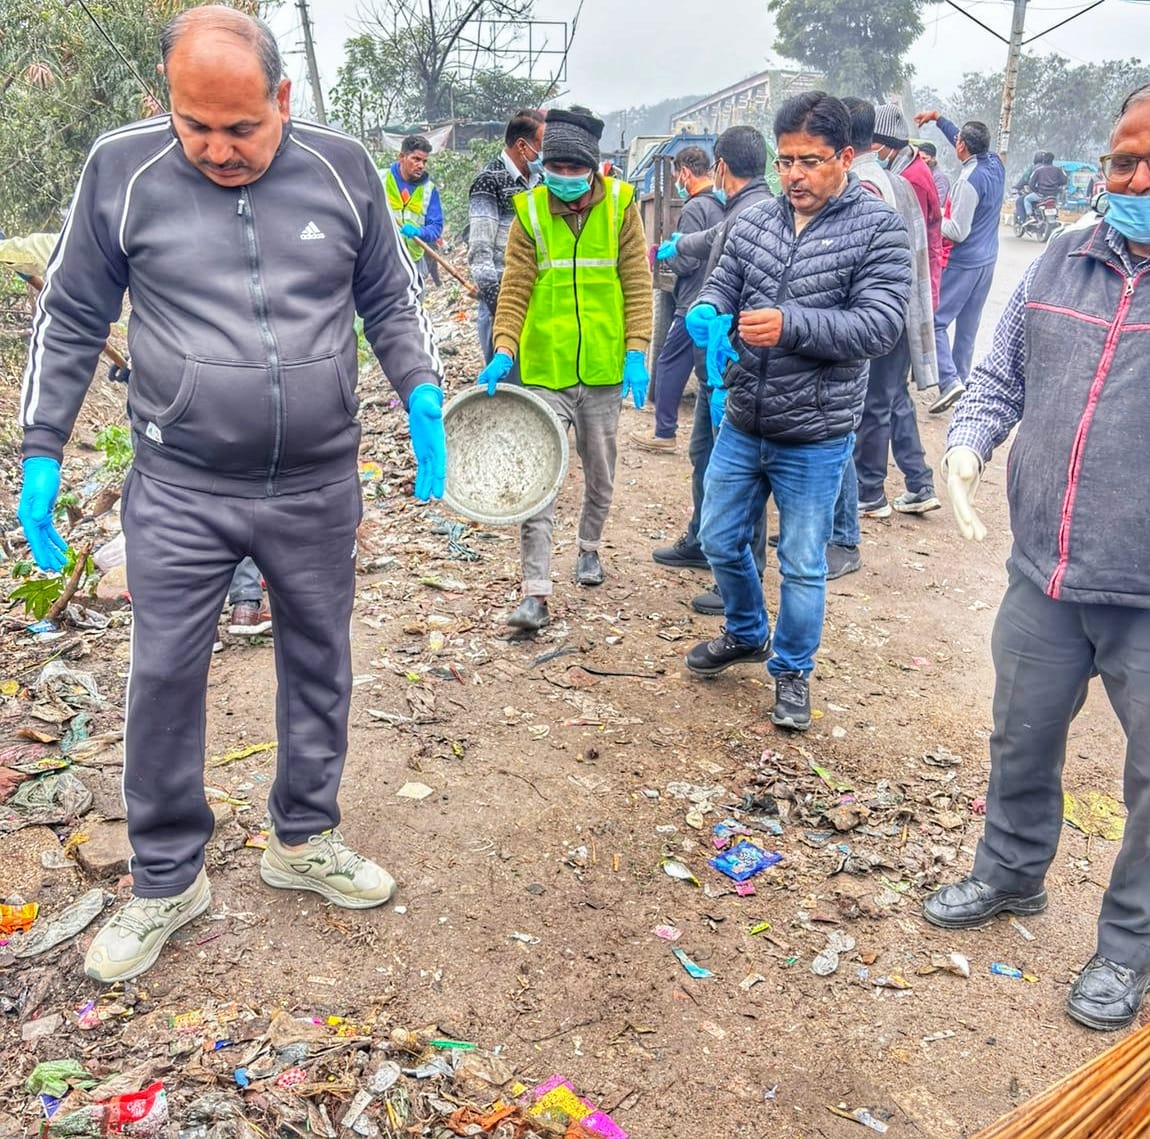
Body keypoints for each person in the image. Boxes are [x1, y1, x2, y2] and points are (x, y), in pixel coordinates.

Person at [15, 5, 447, 982]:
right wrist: (42, 446)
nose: (217, 149)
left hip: (315, 480)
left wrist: (420, 387)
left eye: (242, 127)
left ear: (282, 98)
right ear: (167, 103)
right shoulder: (122, 171)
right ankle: (168, 878)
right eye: (194, 125)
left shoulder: (342, 168)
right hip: (180, 484)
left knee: (320, 658)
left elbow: (388, 294)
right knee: (164, 672)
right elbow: (72, 312)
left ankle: (304, 836)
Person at [922, 85, 1150, 1032]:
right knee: (1021, 732)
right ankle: (1011, 872)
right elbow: (1000, 373)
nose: (1129, 180)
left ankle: (1129, 946)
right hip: (1044, 570)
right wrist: (970, 444)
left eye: (1149, 165)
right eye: (1121, 160)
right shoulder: (1063, 255)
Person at [682, 91, 911, 730]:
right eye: (785, 161)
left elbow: (880, 325)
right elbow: (725, 280)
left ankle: (791, 671)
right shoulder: (756, 220)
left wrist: (790, 324)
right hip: (743, 416)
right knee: (719, 538)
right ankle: (746, 630)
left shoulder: (878, 230)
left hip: (815, 431)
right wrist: (708, 309)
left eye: (810, 161)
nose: (794, 175)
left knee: (803, 563)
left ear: (845, 157)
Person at [475, 106, 653, 632]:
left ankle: (589, 546)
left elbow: (637, 284)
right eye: (556, 169)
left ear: (593, 169)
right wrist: (503, 347)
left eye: (575, 170)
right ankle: (535, 592)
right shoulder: (529, 212)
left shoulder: (621, 206)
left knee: (600, 470)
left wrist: (637, 349)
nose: (565, 179)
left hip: (602, 368)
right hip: (544, 368)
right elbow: (515, 288)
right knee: (540, 479)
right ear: (544, 167)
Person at [827, 100, 940, 577]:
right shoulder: (898, 181)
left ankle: (869, 491)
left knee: (867, 405)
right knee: (890, 398)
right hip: (899, 307)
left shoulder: (863, 186)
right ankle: (915, 482)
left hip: (871, 312)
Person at [630, 145, 723, 452]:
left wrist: (665, 255)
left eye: (677, 177)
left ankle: (664, 432)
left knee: (669, 362)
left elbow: (687, 262)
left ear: (684, 173)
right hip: (715, 300)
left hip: (692, 303)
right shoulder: (720, 205)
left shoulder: (695, 208)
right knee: (710, 372)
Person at [914, 110, 1005, 415]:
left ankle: (949, 380)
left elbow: (958, 231)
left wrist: (932, 216)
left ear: (962, 146)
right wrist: (938, 118)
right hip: (987, 261)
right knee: (968, 325)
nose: (956, 142)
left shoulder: (968, 180)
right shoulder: (995, 164)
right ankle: (961, 381)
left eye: (958, 141)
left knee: (936, 320)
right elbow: (959, 135)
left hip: (963, 262)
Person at [467, 109, 546, 371]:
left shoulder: (542, 182)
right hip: (502, 301)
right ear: (522, 146)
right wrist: (499, 305)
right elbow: (480, 251)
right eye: (541, 145)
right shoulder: (489, 182)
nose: (544, 154)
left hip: (538, 300)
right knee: (507, 385)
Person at [385, 134, 444, 283]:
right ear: (402, 157)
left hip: (414, 263)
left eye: (424, 161)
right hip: (383, 261)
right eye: (416, 159)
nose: (421, 165)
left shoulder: (429, 190)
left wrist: (418, 232)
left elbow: (436, 228)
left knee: (415, 297)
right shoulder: (379, 179)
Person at [1023, 151, 1068, 219]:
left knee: (1027, 199)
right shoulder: (1058, 170)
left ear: (1043, 160)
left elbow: (1031, 183)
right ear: (1052, 160)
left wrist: (1036, 190)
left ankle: (1030, 216)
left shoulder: (1038, 170)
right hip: (1053, 195)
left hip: (1041, 195)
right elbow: (1064, 181)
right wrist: (1057, 186)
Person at [917, 141, 949, 210]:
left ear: (933, 158)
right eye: (919, 159)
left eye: (924, 158)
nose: (921, 162)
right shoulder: (920, 172)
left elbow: (939, 203)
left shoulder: (939, 178)